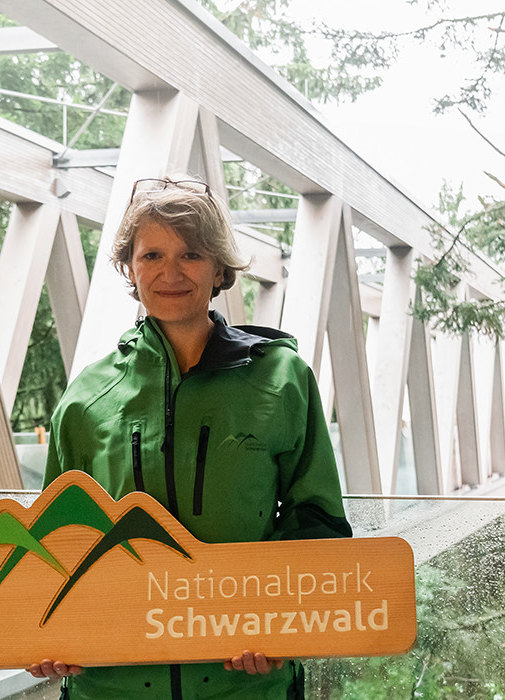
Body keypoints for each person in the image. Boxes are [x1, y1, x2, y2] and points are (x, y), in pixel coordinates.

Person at [27, 177, 352, 699]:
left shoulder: (282, 378)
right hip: (113, 687)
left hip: (246, 684)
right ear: (129, 268)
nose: (171, 272)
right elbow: (56, 543)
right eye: (152, 254)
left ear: (219, 269)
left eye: (192, 254)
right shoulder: (87, 397)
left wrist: (284, 628)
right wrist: (47, 637)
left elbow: (318, 521)